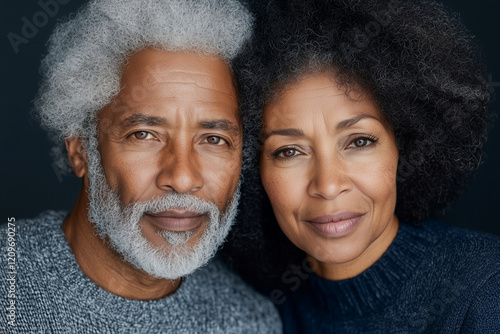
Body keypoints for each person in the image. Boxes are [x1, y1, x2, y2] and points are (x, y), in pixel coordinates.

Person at [0, 0, 282, 332]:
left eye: (213, 139)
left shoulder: (251, 322)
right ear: (80, 149)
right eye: (144, 134)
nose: (181, 177)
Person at [221, 0, 500, 332]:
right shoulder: (256, 314)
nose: (327, 184)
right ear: (253, 171)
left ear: (404, 143)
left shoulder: (483, 287)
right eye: (290, 151)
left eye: (359, 141)